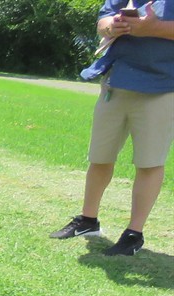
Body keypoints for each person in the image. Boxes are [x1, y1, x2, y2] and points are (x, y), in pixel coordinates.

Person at [50, 0, 174, 256]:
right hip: (115, 82)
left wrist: (153, 28)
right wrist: (111, 27)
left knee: (149, 162)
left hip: (162, 87)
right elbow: (104, 18)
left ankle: (133, 234)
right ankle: (88, 221)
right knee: (100, 156)